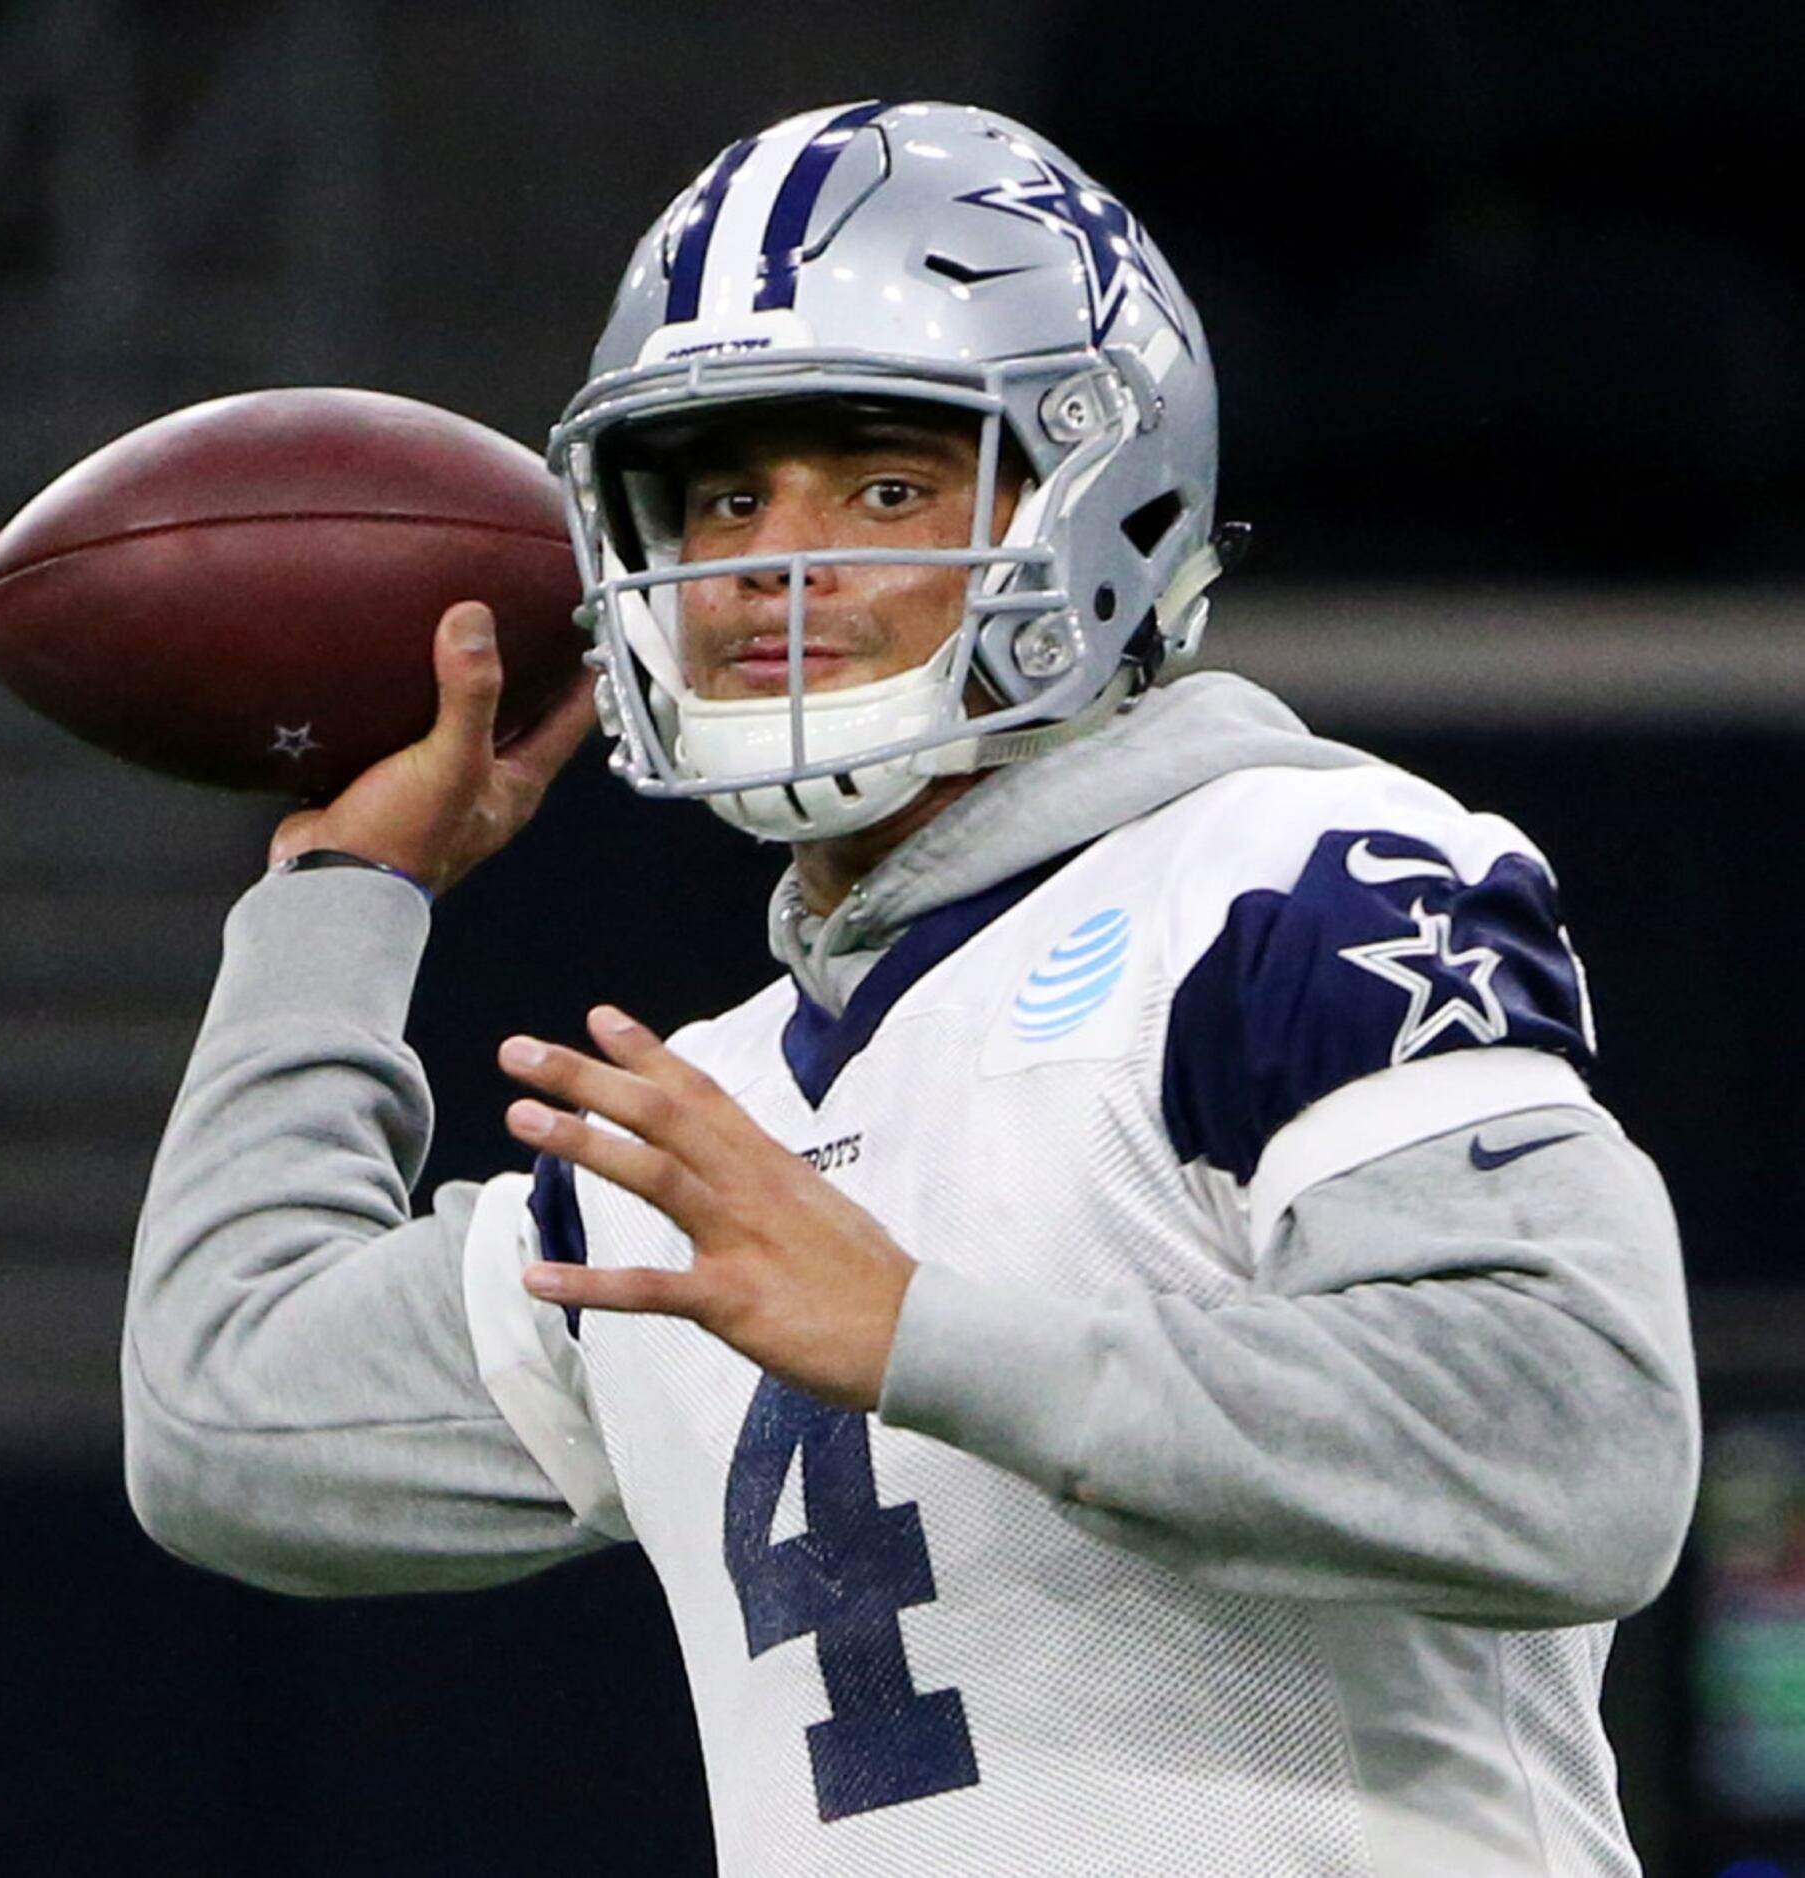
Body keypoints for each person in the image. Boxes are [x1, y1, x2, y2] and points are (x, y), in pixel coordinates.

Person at [124, 101, 1699, 1875]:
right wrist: (342, 893)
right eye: (720, 494)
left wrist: (920, 1334)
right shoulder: (717, 1113)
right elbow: (230, 1420)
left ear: (1101, 488)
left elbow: (1579, 1449)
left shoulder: (1288, 879)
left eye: (882, 485)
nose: (767, 571)